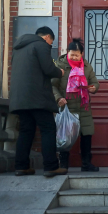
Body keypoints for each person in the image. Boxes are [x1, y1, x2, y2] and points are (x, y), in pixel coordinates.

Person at [9, 26, 66, 177]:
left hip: (19, 97)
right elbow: (48, 69)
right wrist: (60, 72)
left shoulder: (18, 48)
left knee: (26, 130)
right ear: (47, 37)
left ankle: (21, 166)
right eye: (51, 43)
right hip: (37, 96)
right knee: (48, 128)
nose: (50, 45)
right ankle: (51, 166)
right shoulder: (41, 45)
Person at [52, 38, 100, 172]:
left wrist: (93, 88)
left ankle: (86, 163)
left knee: (87, 134)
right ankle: (63, 164)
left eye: (76, 55)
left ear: (81, 54)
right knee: (65, 135)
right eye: (71, 54)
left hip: (83, 107)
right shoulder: (60, 66)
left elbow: (94, 82)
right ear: (67, 52)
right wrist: (58, 98)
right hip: (66, 106)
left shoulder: (86, 67)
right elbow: (52, 85)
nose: (74, 57)